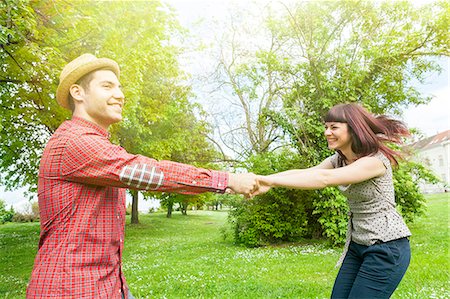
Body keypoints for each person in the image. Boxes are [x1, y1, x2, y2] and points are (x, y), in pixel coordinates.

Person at [26, 54, 258, 299]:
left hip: (110, 286)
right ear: (78, 93)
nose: (120, 95)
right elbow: (150, 174)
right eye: (107, 86)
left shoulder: (95, 144)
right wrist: (226, 180)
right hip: (70, 289)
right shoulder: (74, 142)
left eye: (119, 87)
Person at [255, 103, 412, 299]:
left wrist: (269, 180)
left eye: (334, 127)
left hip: (386, 248)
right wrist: (263, 180)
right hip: (357, 245)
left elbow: (323, 179)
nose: (327, 132)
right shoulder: (338, 160)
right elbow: (308, 173)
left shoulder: (374, 162)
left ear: (353, 128)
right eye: (326, 127)